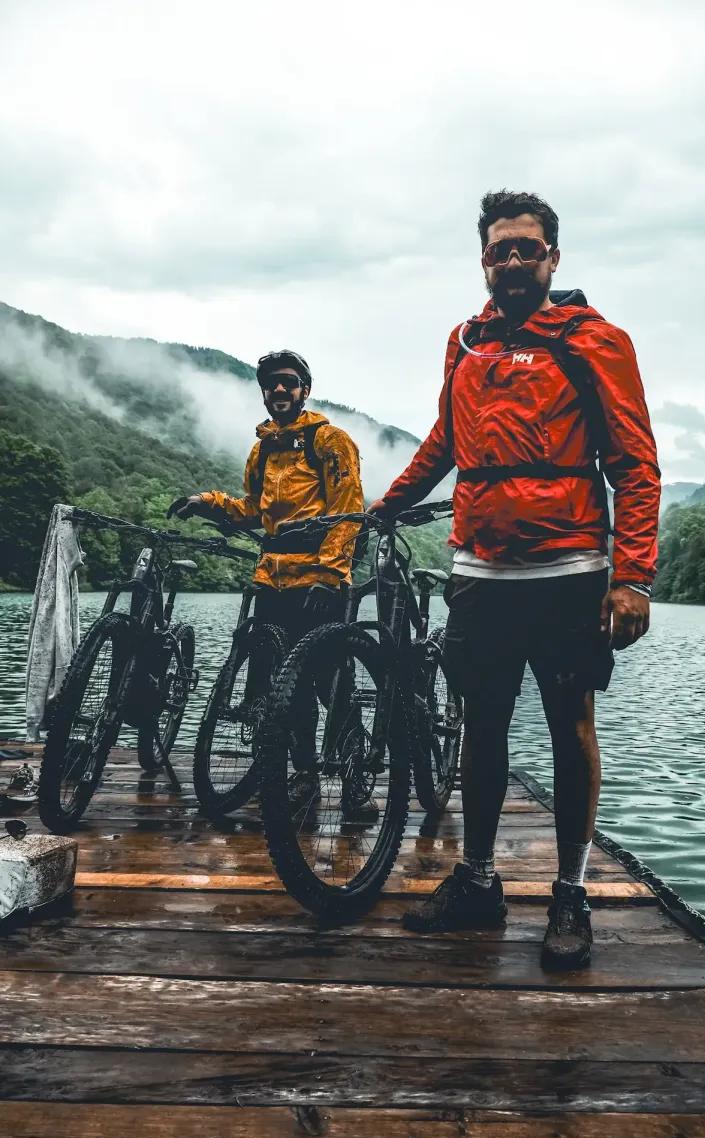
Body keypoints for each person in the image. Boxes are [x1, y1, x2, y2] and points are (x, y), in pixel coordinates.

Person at [368, 191, 661, 968]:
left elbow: (633, 462)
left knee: (571, 723)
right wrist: (387, 506)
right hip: (479, 568)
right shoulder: (464, 343)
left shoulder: (595, 339)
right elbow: (444, 441)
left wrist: (632, 576)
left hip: (569, 568)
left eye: (528, 247)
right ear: (484, 261)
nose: (514, 260)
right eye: (500, 249)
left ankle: (570, 891)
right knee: (481, 724)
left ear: (554, 256)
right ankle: (478, 879)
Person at [169, 349, 370, 814]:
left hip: (319, 584)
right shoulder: (263, 450)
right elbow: (255, 511)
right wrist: (208, 502)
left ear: (304, 389)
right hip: (272, 582)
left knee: (331, 682)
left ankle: (355, 777)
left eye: (288, 382)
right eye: (271, 384)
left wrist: (330, 573)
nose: (279, 390)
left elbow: (348, 511)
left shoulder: (330, 441)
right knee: (283, 684)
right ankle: (303, 773)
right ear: (263, 392)